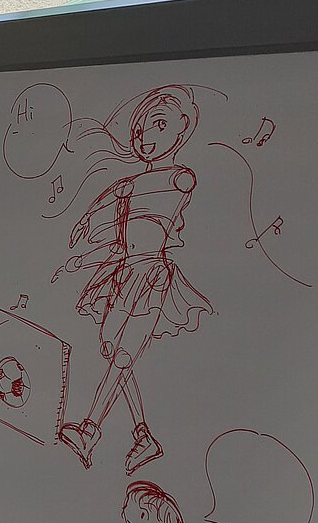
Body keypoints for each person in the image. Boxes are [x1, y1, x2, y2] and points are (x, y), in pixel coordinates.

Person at [52, 86, 212, 472]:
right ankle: (144, 436)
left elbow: (163, 187)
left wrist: (112, 194)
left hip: (152, 277)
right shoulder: (131, 188)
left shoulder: (179, 179)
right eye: (139, 132)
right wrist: (80, 258)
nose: (146, 137)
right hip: (124, 274)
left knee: (124, 355)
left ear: (182, 127)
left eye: (159, 125)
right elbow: (121, 245)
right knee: (113, 350)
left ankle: (90, 430)